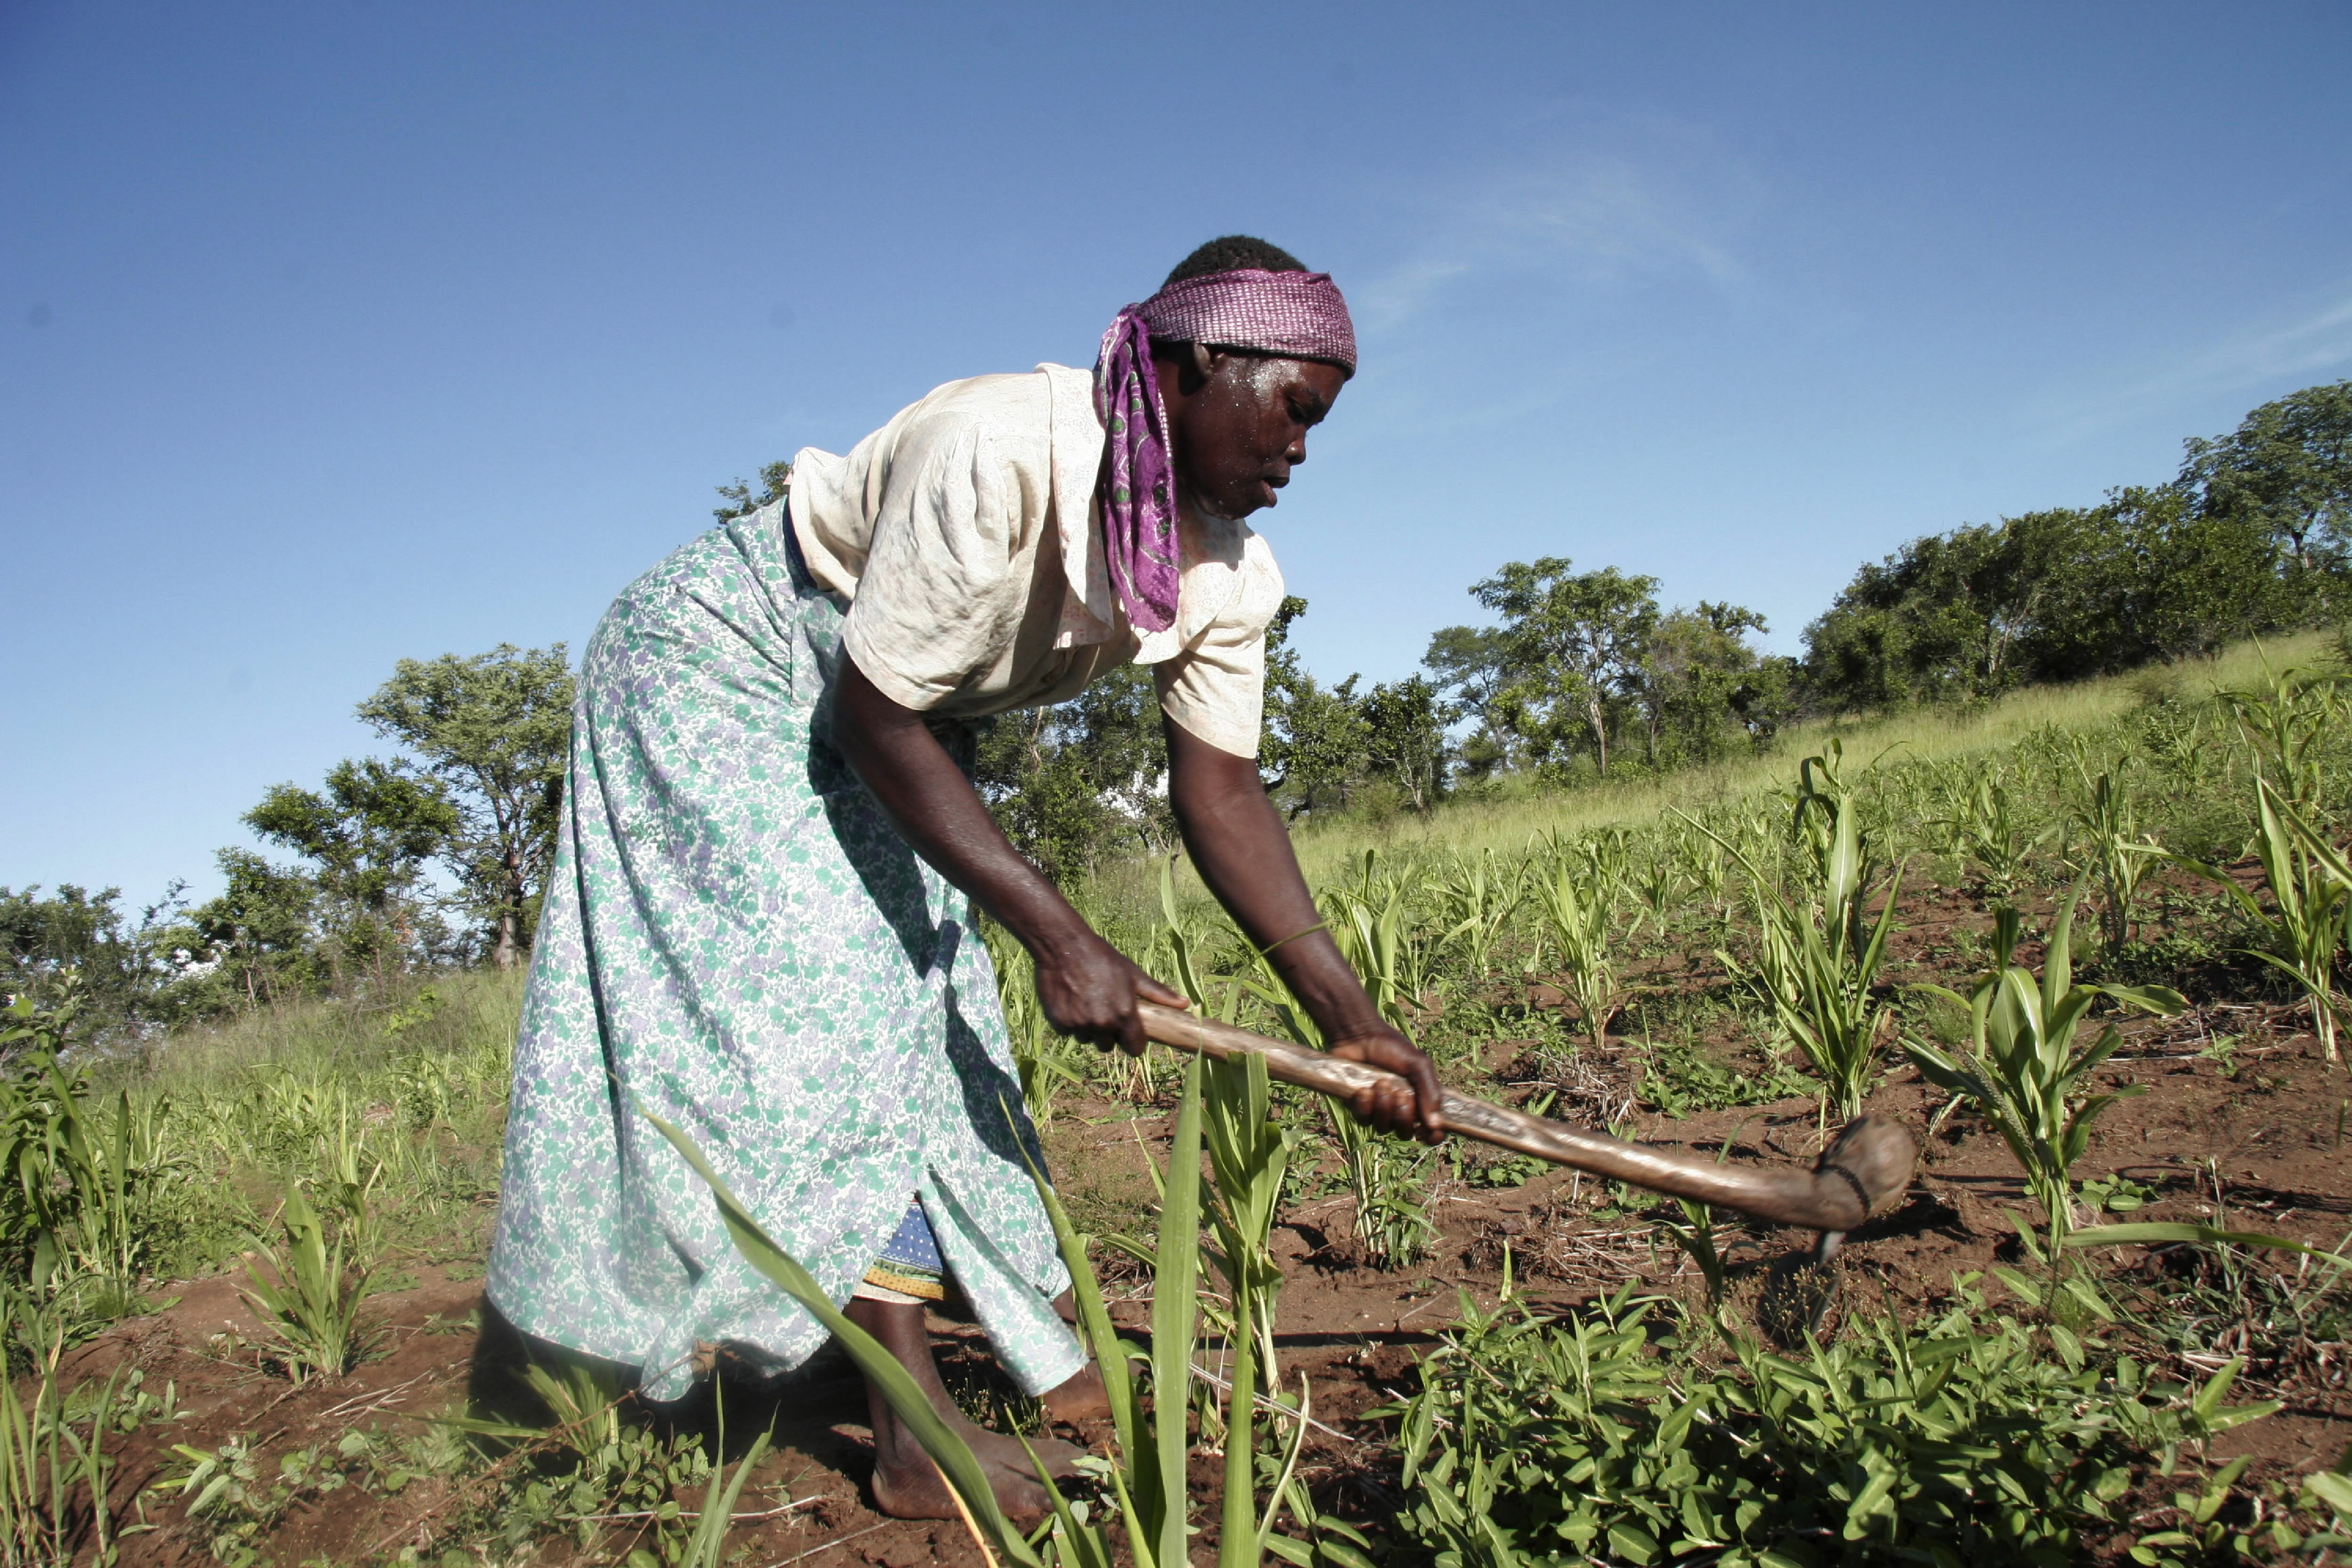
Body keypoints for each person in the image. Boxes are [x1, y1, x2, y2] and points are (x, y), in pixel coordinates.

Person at [485, 235, 1444, 1520]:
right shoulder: (1002, 449)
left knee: (939, 1015)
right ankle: (912, 1433)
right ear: (1206, 361)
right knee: (835, 1015)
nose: (1300, 451)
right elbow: (884, 718)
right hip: (721, 663)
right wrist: (1061, 936)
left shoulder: (1224, 571)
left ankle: (1053, 1348)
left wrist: (1351, 1016)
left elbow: (1220, 793)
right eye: (1293, 410)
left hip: (884, 714)